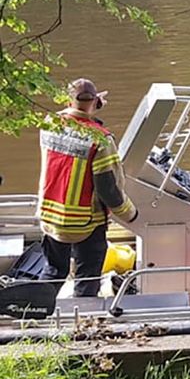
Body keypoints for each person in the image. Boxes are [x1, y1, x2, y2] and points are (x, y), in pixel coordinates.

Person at [37, 79, 139, 297]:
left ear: (68, 100)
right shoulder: (100, 139)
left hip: (50, 217)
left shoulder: (49, 123)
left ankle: (34, 311)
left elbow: (74, 118)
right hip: (84, 223)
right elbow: (108, 189)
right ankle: (83, 321)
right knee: (88, 278)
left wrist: (89, 106)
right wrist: (130, 213)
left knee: (54, 271)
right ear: (94, 101)